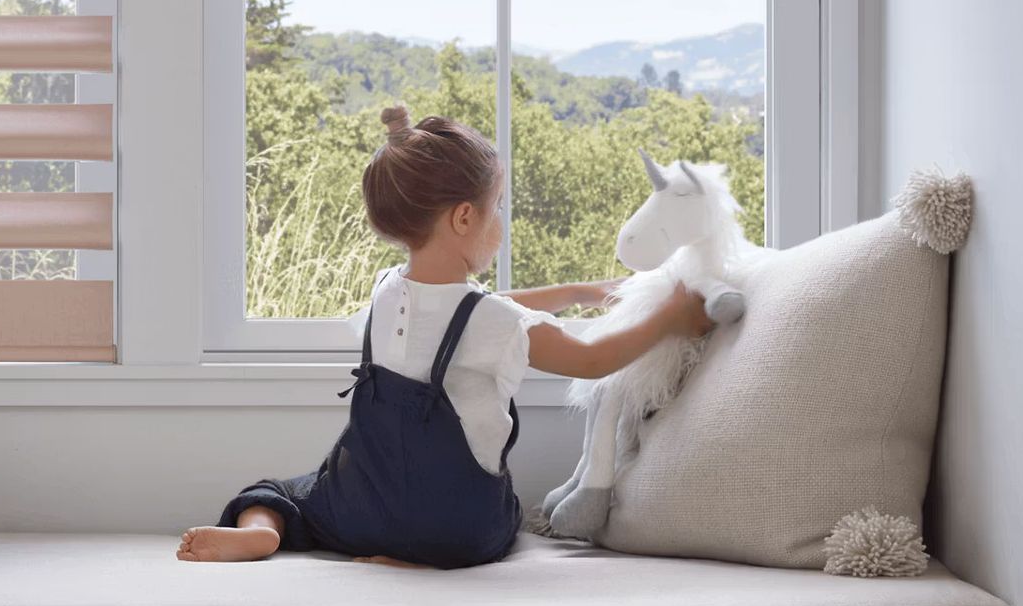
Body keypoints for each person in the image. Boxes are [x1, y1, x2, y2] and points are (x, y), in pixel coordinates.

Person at [175, 105, 714, 568]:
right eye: (496, 206)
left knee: (278, 492)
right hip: (462, 529)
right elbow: (594, 358)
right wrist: (671, 317)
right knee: (499, 517)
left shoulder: (386, 290)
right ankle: (420, 559)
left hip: (366, 507)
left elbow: (467, 311)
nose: (500, 219)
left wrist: (576, 291)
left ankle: (262, 532)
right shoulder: (495, 323)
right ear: (463, 218)